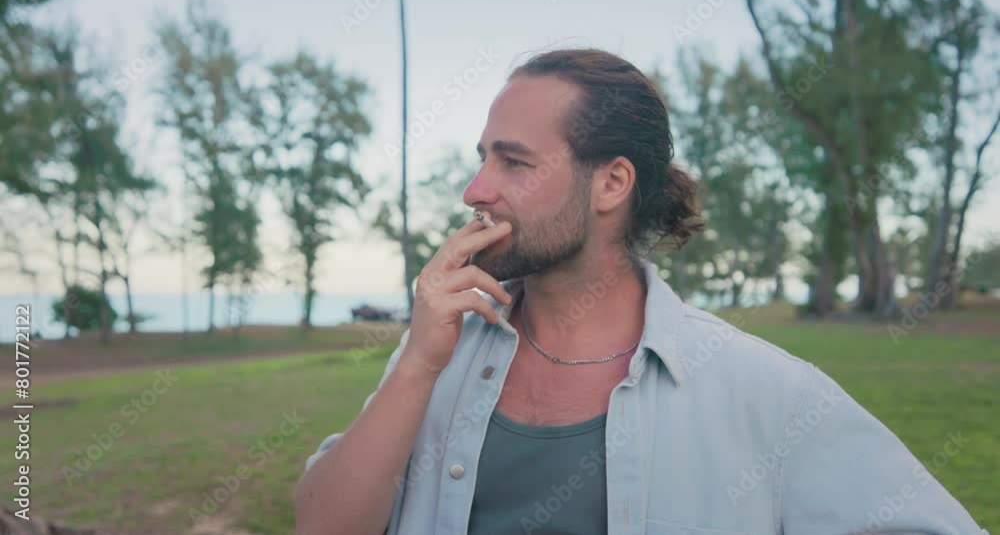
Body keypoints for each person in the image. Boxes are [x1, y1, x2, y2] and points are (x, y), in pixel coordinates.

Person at [294, 48, 984, 535]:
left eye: (514, 162)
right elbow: (322, 525)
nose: (476, 189)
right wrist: (416, 363)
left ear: (612, 183)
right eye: (483, 159)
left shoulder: (764, 392)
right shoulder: (433, 357)